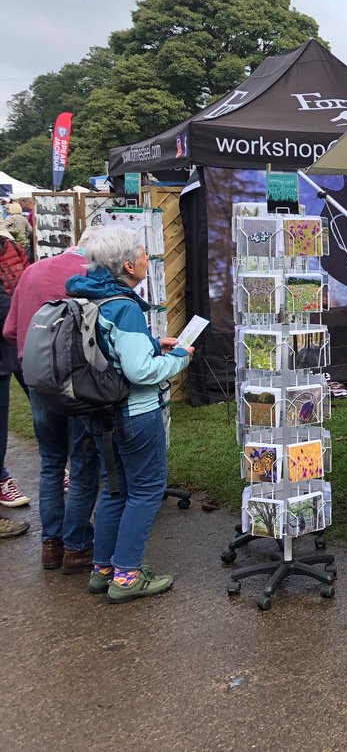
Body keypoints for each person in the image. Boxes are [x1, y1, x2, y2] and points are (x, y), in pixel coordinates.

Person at [65, 227, 193, 603]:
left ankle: (103, 570)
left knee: (115, 489)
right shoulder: (124, 305)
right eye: (142, 254)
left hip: (100, 414)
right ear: (126, 264)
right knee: (146, 491)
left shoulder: (91, 297)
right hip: (134, 413)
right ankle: (127, 576)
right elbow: (139, 372)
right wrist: (177, 359)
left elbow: (107, 347)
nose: (146, 260)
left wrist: (153, 344)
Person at [5, 227, 101, 573]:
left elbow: (10, 330)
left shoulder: (34, 270)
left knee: (50, 464)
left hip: (39, 381)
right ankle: (77, 547)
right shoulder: (92, 274)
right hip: (78, 386)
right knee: (82, 466)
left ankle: (51, 545)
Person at [0, 224, 29, 510]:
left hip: (22, 339)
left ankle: (56, 468)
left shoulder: (12, 247)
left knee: (46, 404)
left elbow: (27, 279)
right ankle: (1, 479)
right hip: (8, 339)